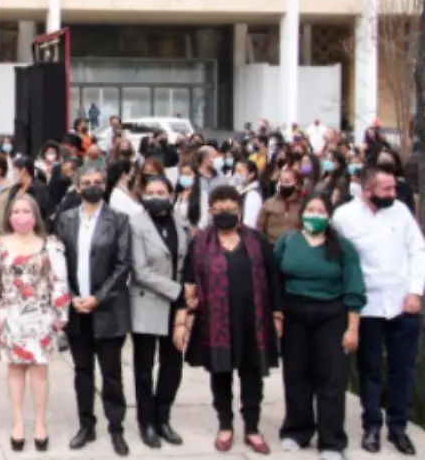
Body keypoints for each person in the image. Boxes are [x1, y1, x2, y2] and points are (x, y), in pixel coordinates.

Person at [173, 185, 282, 455]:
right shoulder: (200, 243)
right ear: (210, 211)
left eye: (231, 208)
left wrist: (277, 315)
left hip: (253, 321)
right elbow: (188, 282)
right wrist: (183, 320)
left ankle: (252, 428)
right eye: (219, 209)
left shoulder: (257, 241)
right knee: (220, 373)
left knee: (252, 374)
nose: (225, 213)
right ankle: (225, 425)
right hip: (215, 322)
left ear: (240, 210)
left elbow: (274, 280)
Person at [331, 167, 425, 455]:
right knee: (369, 370)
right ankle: (372, 425)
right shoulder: (345, 217)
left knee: (403, 369)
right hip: (368, 306)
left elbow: (418, 251)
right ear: (367, 190)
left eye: (393, 188)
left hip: (403, 303)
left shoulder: (400, 212)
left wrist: (415, 291)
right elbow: (337, 257)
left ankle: (398, 428)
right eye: (386, 189)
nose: (393, 194)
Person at [274, 193, 366, 458]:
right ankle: (297, 430)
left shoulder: (343, 247)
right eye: (310, 210)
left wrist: (352, 328)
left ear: (329, 216)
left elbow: (354, 287)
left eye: (320, 211)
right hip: (294, 314)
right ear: (302, 213)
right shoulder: (287, 241)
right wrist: (276, 316)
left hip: (331, 315)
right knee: (296, 375)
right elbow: (275, 280)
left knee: (332, 377)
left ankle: (331, 441)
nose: (314, 215)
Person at [54, 164, 132, 456]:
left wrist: (98, 298)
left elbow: (123, 265)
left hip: (107, 309)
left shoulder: (119, 220)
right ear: (77, 187)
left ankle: (116, 427)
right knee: (82, 371)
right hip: (76, 309)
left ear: (105, 185)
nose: (92, 186)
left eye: (97, 181)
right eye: (86, 182)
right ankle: (86, 425)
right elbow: (58, 263)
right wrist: (72, 296)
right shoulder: (65, 219)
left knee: (111, 373)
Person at [0, 194, 69, 452]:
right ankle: (19, 422)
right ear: (9, 216)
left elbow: (59, 281)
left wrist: (61, 314)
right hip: (10, 317)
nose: (21, 216)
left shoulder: (50, 244)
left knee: (39, 372)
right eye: (16, 211)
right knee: (15, 369)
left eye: (26, 211)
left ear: (35, 215)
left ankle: (40, 423)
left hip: (41, 316)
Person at [128, 175, 191, 449]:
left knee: (172, 365)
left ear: (170, 194)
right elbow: (139, 271)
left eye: (161, 192)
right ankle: (147, 422)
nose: (156, 197)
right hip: (148, 300)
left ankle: (163, 417)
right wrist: (177, 290)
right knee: (144, 367)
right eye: (150, 192)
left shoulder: (181, 223)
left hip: (177, 305)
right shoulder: (135, 224)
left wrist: (187, 293)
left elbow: (187, 260)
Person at [257, 166, 305, 242]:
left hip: (294, 245)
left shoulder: (303, 205)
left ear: (296, 183)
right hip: (272, 244)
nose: (283, 184)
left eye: (287, 181)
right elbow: (260, 227)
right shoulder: (269, 203)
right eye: (281, 181)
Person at [233, 160, 264, 228]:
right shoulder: (240, 190)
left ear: (251, 174)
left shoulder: (253, 195)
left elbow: (249, 223)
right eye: (235, 171)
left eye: (240, 171)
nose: (236, 174)